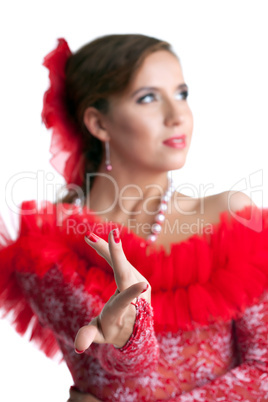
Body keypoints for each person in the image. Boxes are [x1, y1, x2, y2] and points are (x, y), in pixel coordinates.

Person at [0, 34, 267, 402]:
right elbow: (123, 366)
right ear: (99, 123)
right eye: (148, 98)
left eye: (182, 94)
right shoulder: (49, 251)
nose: (178, 116)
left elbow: (264, 371)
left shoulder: (232, 218)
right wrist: (129, 330)